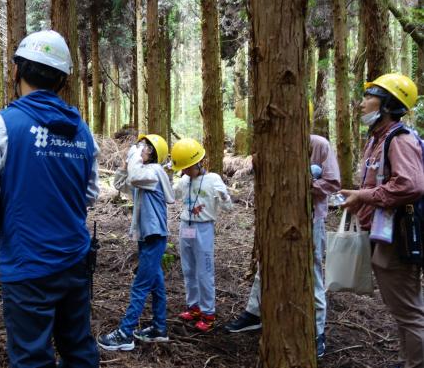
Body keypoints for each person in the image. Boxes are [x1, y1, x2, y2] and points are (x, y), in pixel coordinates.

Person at [0, 30, 100, 368]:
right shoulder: (81, 130)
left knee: (31, 358)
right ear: (62, 80)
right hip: (75, 260)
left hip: (28, 266)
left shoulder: (2, 124)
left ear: (17, 72)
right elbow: (90, 194)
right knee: (79, 349)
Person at [224, 134, 340, 359]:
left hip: (310, 220)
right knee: (265, 265)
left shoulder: (319, 145)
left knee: (312, 273)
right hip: (277, 218)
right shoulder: (273, 141)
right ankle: (254, 313)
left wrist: (305, 183)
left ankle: (317, 333)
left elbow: (333, 182)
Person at [340, 74, 424, 368]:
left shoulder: (399, 140)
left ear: (388, 104)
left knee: (410, 311)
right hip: (381, 235)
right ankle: (409, 361)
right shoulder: (377, 139)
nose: (361, 104)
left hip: (398, 238)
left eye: (369, 97)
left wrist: (364, 196)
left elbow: (410, 185)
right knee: (401, 308)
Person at [97, 133, 174, 351]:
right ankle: (159, 328)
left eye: (145, 147)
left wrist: (134, 158)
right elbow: (121, 183)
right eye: (140, 145)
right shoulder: (142, 174)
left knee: (140, 286)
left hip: (155, 235)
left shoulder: (153, 172)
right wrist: (125, 164)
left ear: (153, 153)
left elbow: (136, 175)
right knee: (156, 284)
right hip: (147, 236)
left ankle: (125, 333)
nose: (140, 148)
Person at [171, 138, 232, 333]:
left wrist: (224, 196)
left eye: (189, 167)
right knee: (188, 269)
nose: (186, 171)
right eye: (184, 168)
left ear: (198, 163)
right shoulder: (184, 180)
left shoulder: (213, 179)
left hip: (204, 227)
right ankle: (194, 307)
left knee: (204, 271)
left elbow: (228, 208)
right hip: (185, 226)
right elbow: (173, 196)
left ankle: (208, 313)